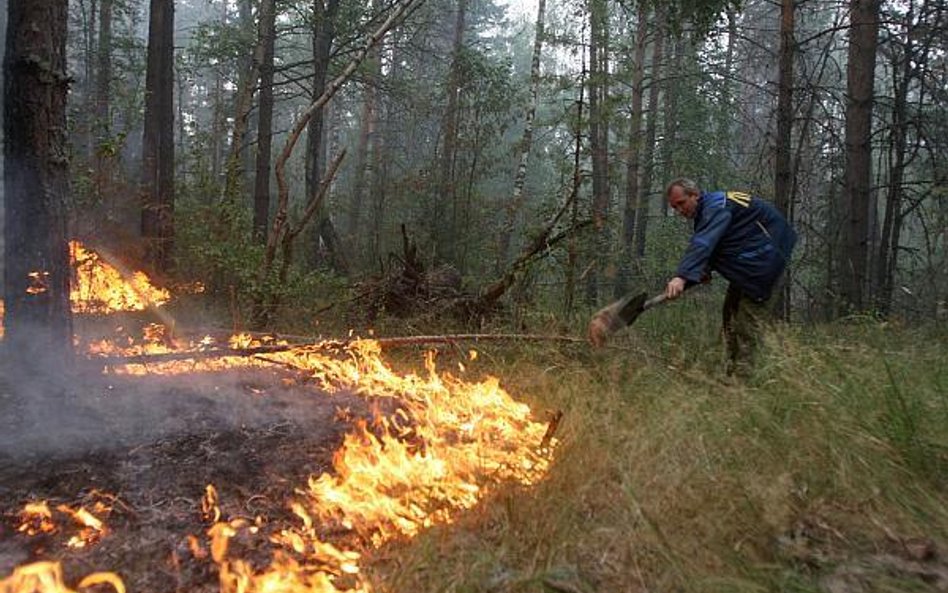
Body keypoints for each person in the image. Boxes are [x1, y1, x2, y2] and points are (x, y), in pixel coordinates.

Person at [664, 178, 797, 376]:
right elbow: (721, 241)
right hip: (750, 265)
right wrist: (703, 270)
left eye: (681, 203)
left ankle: (741, 382)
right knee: (730, 315)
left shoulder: (715, 207)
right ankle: (731, 373)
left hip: (763, 263)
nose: (680, 211)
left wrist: (681, 277)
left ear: (695, 195)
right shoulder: (710, 210)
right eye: (675, 207)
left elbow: (703, 243)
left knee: (746, 324)